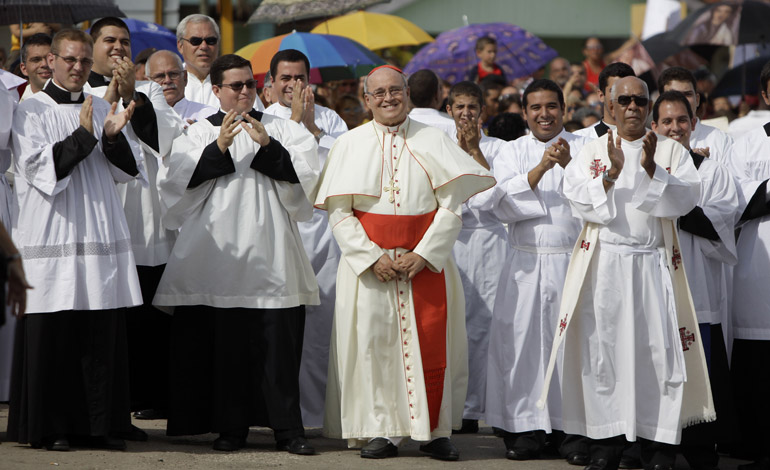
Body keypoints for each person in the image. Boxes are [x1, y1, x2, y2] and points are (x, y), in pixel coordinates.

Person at [315, 64, 494, 461]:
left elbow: (451, 207)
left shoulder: (435, 138)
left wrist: (425, 254)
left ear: (408, 94)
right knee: (374, 348)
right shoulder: (350, 143)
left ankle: (434, 432)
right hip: (371, 267)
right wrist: (370, 256)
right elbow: (339, 212)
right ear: (367, 100)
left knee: (433, 344)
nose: (388, 98)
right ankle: (383, 431)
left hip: (424, 263)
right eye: (378, 93)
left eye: (395, 91)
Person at [543, 76, 713, 470]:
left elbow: (686, 199)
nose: (633, 107)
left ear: (649, 105)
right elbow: (575, 198)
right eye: (625, 100)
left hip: (653, 266)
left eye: (640, 99)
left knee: (658, 353)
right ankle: (606, 444)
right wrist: (610, 176)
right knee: (605, 354)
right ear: (611, 106)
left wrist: (653, 169)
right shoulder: (591, 151)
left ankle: (659, 448)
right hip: (606, 267)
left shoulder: (670, 150)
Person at [153, 54, 319, 454]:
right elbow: (174, 193)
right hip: (218, 261)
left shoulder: (284, 129)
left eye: (249, 84)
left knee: (278, 351)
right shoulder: (196, 134)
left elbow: (308, 188)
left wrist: (267, 146)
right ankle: (231, 428)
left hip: (273, 255)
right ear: (215, 91)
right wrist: (219, 148)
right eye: (235, 86)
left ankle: (288, 430)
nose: (244, 92)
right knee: (226, 352)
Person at [7, 28, 145, 452]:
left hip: (98, 231)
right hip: (54, 230)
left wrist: (112, 136)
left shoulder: (104, 104)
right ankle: (52, 427)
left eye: (85, 61)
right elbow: (40, 172)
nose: (77, 68)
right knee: (56, 330)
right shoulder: (30, 109)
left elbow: (128, 170)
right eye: (69, 60)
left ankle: (99, 425)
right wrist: (84, 136)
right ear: (51, 60)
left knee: (98, 328)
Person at [475, 78, 590, 464]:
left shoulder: (587, 148)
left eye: (552, 107)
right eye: (536, 108)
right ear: (524, 113)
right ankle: (525, 431)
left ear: (564, 109)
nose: (545, 114)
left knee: (570, 349)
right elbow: (496, 202)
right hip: (525, 262)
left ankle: (571, 431)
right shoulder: (512, 152)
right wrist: (541, 167)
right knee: (522, 348)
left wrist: (570, 167)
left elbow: (600, 200)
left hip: (572, 263)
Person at [84, 17, 185, 429]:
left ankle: (150, 395)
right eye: (109, 40)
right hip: (99, 215)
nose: (118, 47)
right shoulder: (79, 92)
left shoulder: (150, 91)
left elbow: (165, 139)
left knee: (147, 318)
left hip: (146, 221)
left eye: (124, 41)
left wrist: (132, 96)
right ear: (93, 47)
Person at [650, 90, 741, 470]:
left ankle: (701, 447)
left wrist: (675, 203)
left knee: (700, 371)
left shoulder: (714, 172)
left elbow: (721, 223)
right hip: (653, 289)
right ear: (654, 126)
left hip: (698, 288)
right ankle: (657, 448)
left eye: (681, 120)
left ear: (694, 123)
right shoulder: (641, 169)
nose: (675, 128)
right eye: (666, 121)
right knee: (655, 368)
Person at [261, 48, 348, 429]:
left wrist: (313, 131)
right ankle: (276, 413)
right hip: (280, 231)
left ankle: (316, 416)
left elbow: (344, 172)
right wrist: (295, 125)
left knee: (320, 328)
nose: (294, 85)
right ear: (271, 84)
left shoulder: (332, 120)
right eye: (286, 79)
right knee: (278, 328)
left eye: (300, 78)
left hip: (325, 234)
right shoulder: (262, 119)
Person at [438, 81, 509, 436]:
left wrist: (476, 151)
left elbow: (497, 192)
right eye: (460, 107)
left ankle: (484, 405)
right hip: (452, 241)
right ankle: (454, 406)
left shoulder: (498, 147)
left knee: (488, 325)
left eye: (472, 108)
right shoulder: (439, 146)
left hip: (491, 240)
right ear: (448, 110)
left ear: (482, 112)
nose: (466, 114)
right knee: (454, 323)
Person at [726, 61, 770, 470]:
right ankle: (755, 442)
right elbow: (733, 206)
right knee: (758, 352)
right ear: (766, 94)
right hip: (758, 255)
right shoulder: (745, 144)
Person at [176, 14, 263, 111]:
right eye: (196, 41)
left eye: (211, 40)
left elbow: (256, 119)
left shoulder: (239, 83)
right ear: (180, 46)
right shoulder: (172, 81)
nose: (204, 46)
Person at [658, 67, 734, 167]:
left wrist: (706, 168)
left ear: (697, 99)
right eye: (674, 95)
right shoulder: (650, 146)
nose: (682, 101)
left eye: (687, 94)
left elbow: (732, 180)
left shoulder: (720, 141)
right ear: (660, 101)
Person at [146, 49, 217, 123]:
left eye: (173, 74)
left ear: (185, 77)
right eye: (160, 76)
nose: (167, 80)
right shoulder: (140, 119)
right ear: (147, 83)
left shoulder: (209, 115)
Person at [574, 62, 635, 139]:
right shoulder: (579, 138)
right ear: (601, 95)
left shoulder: (650, 140)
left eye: (627, 91)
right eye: (615, 91)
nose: (622, 97)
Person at [408, 69, 458, 136]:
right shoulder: (454, 127)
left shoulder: (397, 127)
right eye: (441, 89)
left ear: (408, 95)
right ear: (437, 95)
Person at [19, 33, 52, 100]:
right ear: (24, 69)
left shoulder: (76, 99)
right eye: (36, 60)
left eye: (49, 58)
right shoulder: (16, 103)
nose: (44, 64)